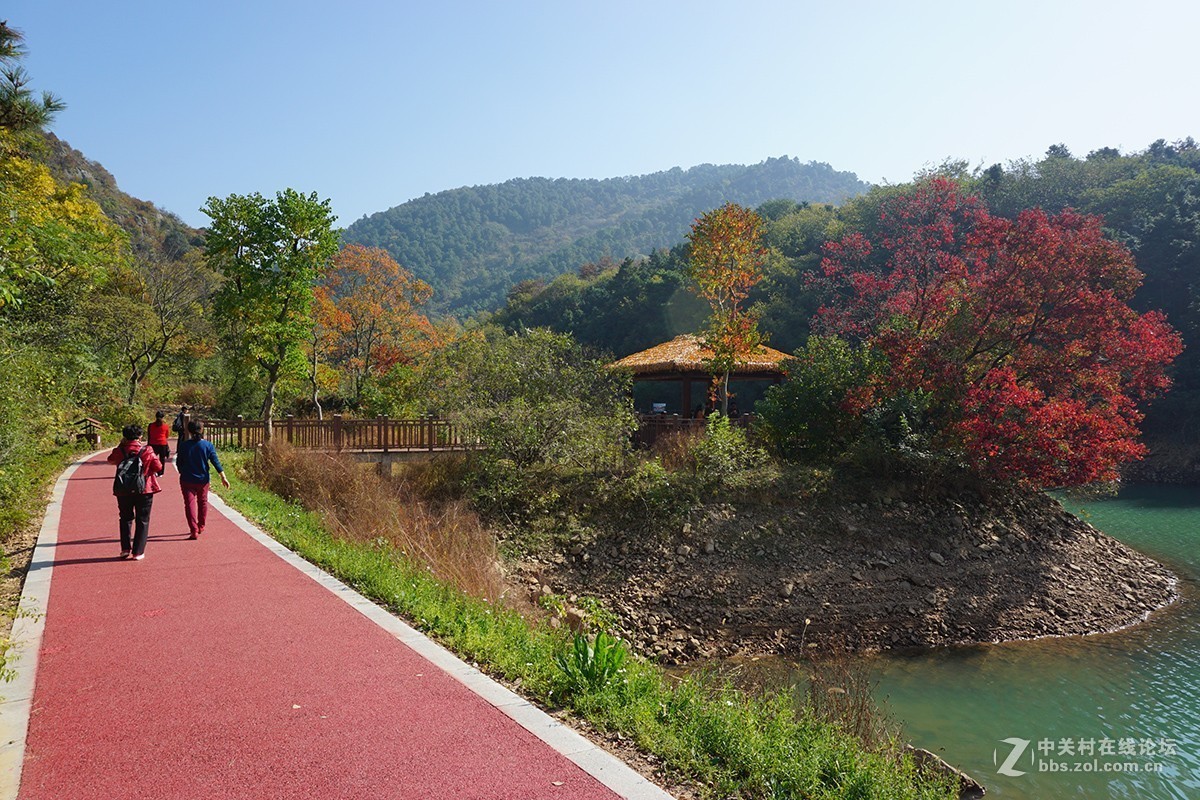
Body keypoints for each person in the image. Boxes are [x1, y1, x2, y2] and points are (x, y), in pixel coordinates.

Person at [106, 423, 162, 560]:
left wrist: (120, 447)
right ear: (140, 436)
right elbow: (158, 466)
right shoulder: (147, 450)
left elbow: (110, 460)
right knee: (142, 520)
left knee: (125, 518)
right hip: (144, 489)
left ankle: (125, 549)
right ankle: (138, 552)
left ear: (124, 436)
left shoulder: (120, 451)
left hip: (123, 489)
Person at [176, 420, 230, 540]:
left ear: (189, 431)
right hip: (203, 479)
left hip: (187, 479)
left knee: (189, 504)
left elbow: (179, 462)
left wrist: (183, 472)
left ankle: (193, 529)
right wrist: (223, 476)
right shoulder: (208, 445)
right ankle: (201, 526)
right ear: (202, 430)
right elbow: (215, 461)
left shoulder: (184, 445)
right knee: (203, 502)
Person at [147, 410, 171, 476]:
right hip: (162, 443)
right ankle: (161, 472)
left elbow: (149, 435)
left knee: (152, 458)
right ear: (163, 417)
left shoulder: (151, 425)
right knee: (162, 459)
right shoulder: (165, 426)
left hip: (153, 443)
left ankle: (152, 471)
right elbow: (167, 436)